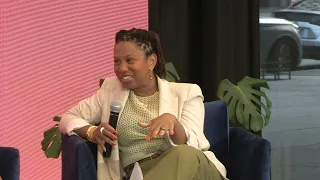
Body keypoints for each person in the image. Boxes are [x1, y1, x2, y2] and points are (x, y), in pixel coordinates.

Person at [59, 28, 227, 180]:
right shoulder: (110, 90)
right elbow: (68, 118)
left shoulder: (186, 93)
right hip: (138, 174)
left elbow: (195, 145)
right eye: (117, 61)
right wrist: (92, 131)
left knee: (184, 154)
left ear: (151, 61)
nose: (122, 68)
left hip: (195, 171)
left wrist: (173, 122)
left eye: (130, 60)